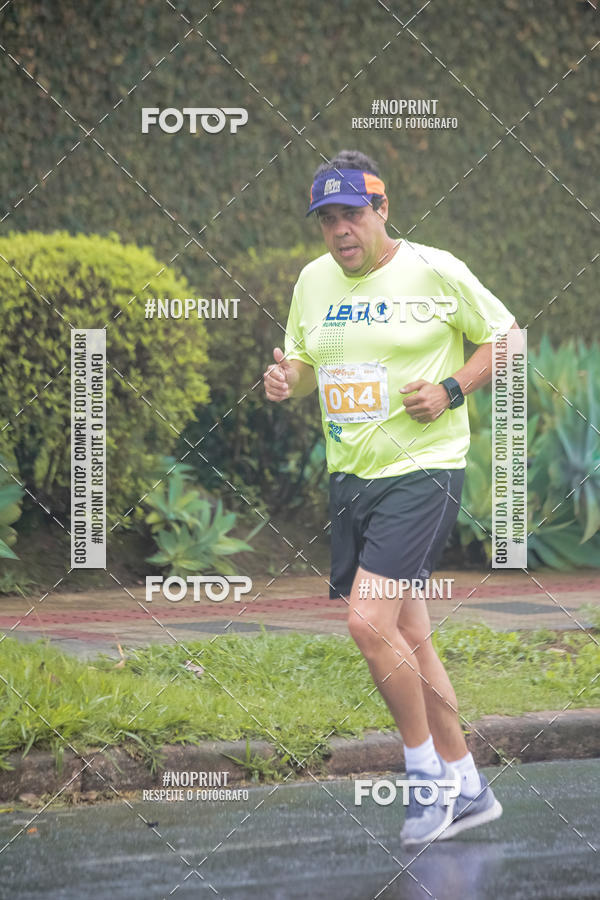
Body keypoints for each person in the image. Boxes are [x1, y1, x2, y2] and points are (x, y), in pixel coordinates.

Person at [263, 149, 519, 845]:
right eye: (327, 219)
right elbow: (308, 364)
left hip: (425, 471)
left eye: (351, 214)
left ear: (382, 210)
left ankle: (425, 777)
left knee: (368, 626)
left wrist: (451, 389)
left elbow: (507, 337)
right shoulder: (313, 282)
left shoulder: (435, 270)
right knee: (409, 635)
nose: (340, 230)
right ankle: (468, 784)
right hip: (353, 478)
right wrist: (290, 382)